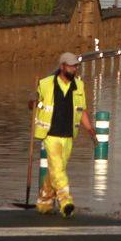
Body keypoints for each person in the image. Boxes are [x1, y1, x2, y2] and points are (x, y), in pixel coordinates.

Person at [32, 52, 97, 217]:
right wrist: (32, 104)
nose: (74, 69)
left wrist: (90, 129)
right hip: (51, 134)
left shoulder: (79, 86)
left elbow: (81, 111)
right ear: (62, 66)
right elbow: (35, 103)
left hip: (68, 135)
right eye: (71, 66)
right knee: (58, 170)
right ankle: (66, 202)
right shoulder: (46, 84)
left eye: (76, 66)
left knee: (56, 170)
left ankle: (44, 202)